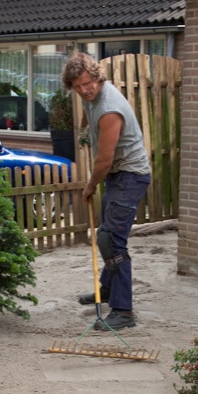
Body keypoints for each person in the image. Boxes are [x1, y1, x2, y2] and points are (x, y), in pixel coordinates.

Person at [62, 53, 151, 330]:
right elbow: (90, 115)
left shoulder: (110, 109)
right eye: (77, 87)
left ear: (97, 78)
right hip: (119, 175)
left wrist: (89, 186)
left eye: (87, 84)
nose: (84, 90)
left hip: (130, 176)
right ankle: (108, 291)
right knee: (106, 237)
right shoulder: (93, 98)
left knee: (112, 240)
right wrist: (83, 131)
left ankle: (124, 312)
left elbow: (104, 160)